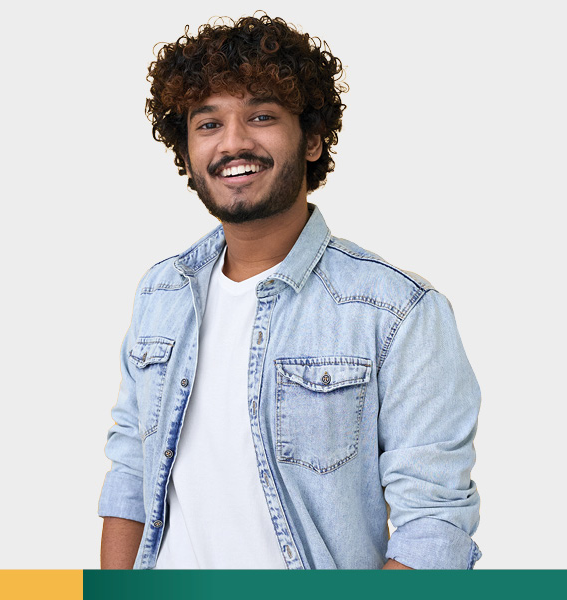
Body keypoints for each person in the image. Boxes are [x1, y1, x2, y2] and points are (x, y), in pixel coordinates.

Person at [98, 13, 482, 570]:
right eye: (208, 124)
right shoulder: (162, 292)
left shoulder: (398, 312)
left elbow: (434, 527)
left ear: (311, 140)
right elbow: (132, 473)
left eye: (261, 116)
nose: (233, 143)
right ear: (187, 149)